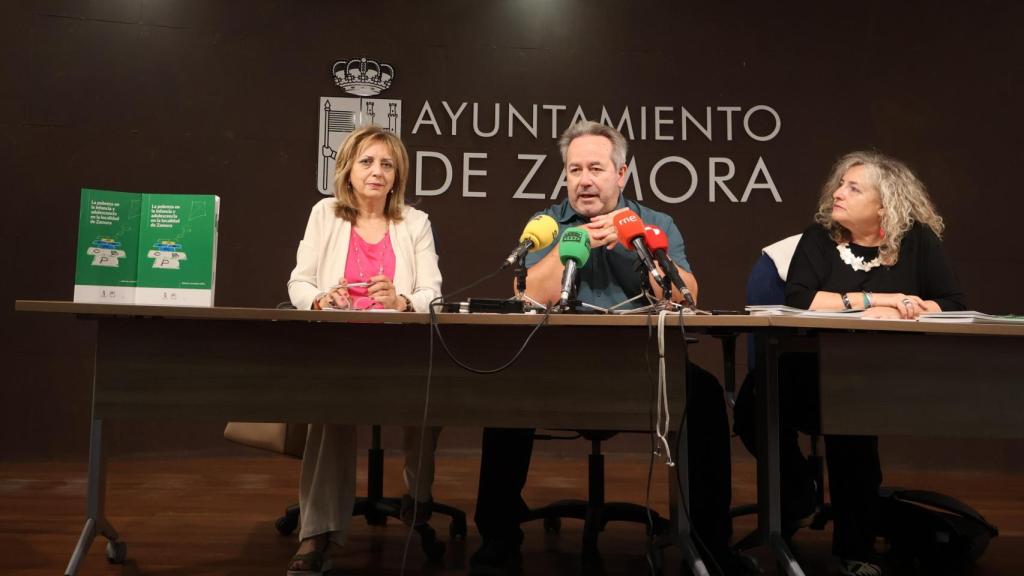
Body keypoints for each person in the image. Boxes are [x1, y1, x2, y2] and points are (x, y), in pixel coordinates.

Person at [470, 120, 738, 574]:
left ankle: (709, 543)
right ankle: (498, 538)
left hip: (642, 369)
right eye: (574, 170)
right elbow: (531, 295)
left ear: (622, 173)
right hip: (558, 369)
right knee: (505, 389)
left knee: (706, 393)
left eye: (595, 168)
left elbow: (685, 295)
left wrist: (635, 246)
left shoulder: (655, 223)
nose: (584, 180)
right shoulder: (550, 223)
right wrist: (580, 243)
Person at [737, 151, 967, 576]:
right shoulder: (820, 238)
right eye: (839, 184)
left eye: (853, 187)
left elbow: (952, 304)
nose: (837, 193)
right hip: (809, 368)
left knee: (851, 418)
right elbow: (801, 300)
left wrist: (907, 311)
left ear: (884, 204)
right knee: (752, 405)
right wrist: (879, 301)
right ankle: (799, 494)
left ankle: (855, 549)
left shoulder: (917, 242)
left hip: (883, 375)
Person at [285, 125, 443, 575]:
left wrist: (402, 301)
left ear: (398, 176)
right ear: (348, 170)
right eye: (367, 162)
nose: (376, 172)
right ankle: (318, 532)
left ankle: (418, 496)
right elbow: (299, 282)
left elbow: (432, 292)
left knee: (431, 395)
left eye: (387, 164)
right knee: (330, 409)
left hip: (399, 348)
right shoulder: (325, 214)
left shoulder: (414, 222)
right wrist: (318, 298)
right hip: (340, 347)